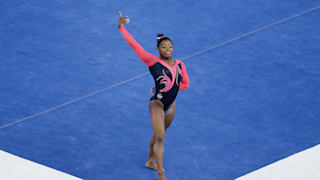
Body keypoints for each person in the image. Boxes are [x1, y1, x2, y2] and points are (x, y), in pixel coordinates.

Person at [118, 11, 190, 180]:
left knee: (160, 133)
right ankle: (161, 172)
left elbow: (185, 84)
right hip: (156, 104)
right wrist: (121, 28)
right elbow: (135, 46)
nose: (168, 49)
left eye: (170, 46)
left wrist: (169, 87)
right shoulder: (152, 61)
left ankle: (150, 160)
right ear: (158, 49)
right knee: (160, 138)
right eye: (164, 47)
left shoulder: (181, 65)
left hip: (171, 106)